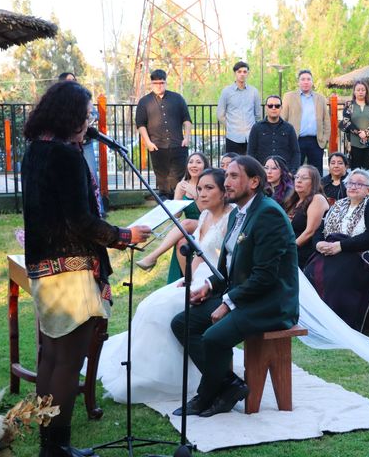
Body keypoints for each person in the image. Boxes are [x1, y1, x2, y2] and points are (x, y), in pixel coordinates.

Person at [21, 81, 151, 455]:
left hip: (45, 268)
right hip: (72, 270)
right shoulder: (65, 156)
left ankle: (50, 442)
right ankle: (57, 447)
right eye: (86, 112)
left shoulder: (36, 151)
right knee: (67, 360)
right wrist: (125, 235)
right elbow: (81, 220)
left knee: (51, 355)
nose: (90, 119)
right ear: (69, 115)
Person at [171, 156, 299, 418]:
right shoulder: (238, 214)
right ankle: (229, 386)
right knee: (182, 323)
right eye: (226, 176)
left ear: (254, 181)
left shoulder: (268, 214)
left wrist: (228, 303)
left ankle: (206, 396)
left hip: (270, 302)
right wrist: (209, 285)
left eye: (233, 176)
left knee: (213, 336)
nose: (226, 183)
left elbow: (265, 277)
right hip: (244, 295)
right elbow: (229, 266)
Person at [97, 168, 232, 404]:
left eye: (209, 188)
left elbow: (226, 262)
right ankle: (147, 371)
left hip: (215, 283)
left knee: (162, 311)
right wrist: (187, 279)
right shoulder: (204, 216)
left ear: (224, 192)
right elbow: (199, 254)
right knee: (150, 304)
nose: (201, 193)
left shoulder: (230, 219)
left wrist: (203, 285)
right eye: (199, 188)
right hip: (197, 278)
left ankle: (174, 378)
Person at [305, 168, 369, 331]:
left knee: (336, 273)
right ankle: (316, 318)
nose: (353, 187)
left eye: (359, 184)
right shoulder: (338, 205)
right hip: (338, 253)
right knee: (312, 269)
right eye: (351, 183)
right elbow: (320, 230)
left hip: (368, 257)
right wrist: (319, 244)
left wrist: (340, 246)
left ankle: (338, 322)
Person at [135, 152, 209, 283]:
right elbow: (176, 216)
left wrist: (196, 195)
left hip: (207, 222)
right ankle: (188, 280)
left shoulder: (208, 184)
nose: (194, 165)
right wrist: (178, 196)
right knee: (181, 242)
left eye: (198, 162)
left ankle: (153, 256)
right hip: (190, 228)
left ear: (205, 166)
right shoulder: (183, 184)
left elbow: (209, 212)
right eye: (191, 162)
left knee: (185, 223)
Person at [136, 69, 192, 200]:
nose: (159, 86)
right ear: (151, 84)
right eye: (156, 83)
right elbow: (140, 124)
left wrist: (187, 138)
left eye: (161, 83)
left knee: (177, 179)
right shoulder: (144, 102)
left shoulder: (177, 98)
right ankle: (164, 208)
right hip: (157, 146)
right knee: (162, 180)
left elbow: (187, 120)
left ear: (166, 82)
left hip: (178, 144)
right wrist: (148, 142)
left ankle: (176, 207)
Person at [57, 72, 105, 216]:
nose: (73, 82)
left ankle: (98, 210)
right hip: (68, 145)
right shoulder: (59, 103)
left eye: (74, 79)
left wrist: (90, 117)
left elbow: (95, 114)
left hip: (86, 144)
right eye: (69, 80)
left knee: (92, 177)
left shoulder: (84, 98)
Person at [281, 69, 331, 175]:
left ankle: (316, 192)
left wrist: (325, 138)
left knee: (316, 173)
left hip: (316, 141)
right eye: (303, 79)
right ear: (298, 82)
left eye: (308, 79)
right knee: (294, 171)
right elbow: (283, 119)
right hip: (296, 140)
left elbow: (326, 120)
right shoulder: (289, 97)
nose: (306, 82)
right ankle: (293, 191)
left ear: (312, 82)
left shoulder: (320, 98)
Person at [284, 165, 329, 268]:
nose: (299, 181)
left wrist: (288, 249)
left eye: (304, 178)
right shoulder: (294, 200)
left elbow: (310, 232)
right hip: (290, 247)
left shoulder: (317, 198)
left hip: (305, 254)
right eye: (297, 177)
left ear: (314, 182)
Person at [217, 61, 261, 154]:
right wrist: (230, 127)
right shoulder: (226, 92)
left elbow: (258, 114)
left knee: (251, 166)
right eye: (239, 71)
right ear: (235, 73)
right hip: (233, 137)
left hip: (251, 137)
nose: (242, 74)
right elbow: (220, 115)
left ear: (248, 74)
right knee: (233, 165)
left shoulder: (254, 92)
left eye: (245, 72)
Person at [247, 95, 300, 172]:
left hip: (284, 172)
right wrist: (255, 171)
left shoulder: (289, 128)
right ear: (266, 108)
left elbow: (296, 152)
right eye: (270, 106)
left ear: (281, 108)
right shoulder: (256, 128)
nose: (274, 108)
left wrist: (293, 171)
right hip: (262, 172)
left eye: (277, 106)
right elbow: (251, 152)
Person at [339, 80, 369, 171]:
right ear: (354, 91)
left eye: (363, 90)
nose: (360, 92)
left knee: (368, 170)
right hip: (353, 142)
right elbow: (346, 121)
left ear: (366, 91)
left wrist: (366, 133)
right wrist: (359, 133)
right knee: (355, 169)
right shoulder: (349, 105)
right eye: (358, 90)